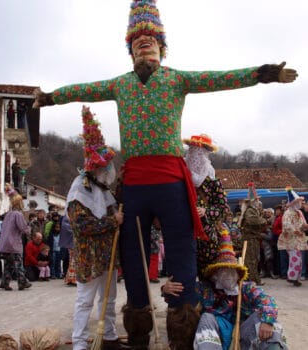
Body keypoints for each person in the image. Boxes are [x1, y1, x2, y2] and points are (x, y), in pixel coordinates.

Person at [32, 1, 298, 348]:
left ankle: (183, 332)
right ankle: (140, 330)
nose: (144, 43)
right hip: (137, 185)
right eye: (137, 40)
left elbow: (220, 79)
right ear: (130, 50)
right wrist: (51, 98)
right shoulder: (120, 84)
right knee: (133, 255)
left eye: (151, 39)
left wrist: (263, 74)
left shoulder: (177, 79)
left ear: (162, 46)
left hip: (171, 181)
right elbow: (82, 89)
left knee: (182, 253)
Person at [162, 229, 288, 350]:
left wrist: (267, 321)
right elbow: (183, 293)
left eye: (232, 271)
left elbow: (267, 301)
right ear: (215, 274)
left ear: (238, 274)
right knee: (206, 317)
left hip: (244, 334)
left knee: (267, 320)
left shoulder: (247, 288)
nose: (228, 276)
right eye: (223, 271)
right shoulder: (205, 289)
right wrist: (166, 289)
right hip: (218, 335)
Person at [66, 106, 126, 350]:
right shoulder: (79, 189)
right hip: (89, 256)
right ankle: (80, 343)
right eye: (106, 166)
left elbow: (113, 210)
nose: (109, 170)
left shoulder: (103, 189)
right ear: (95, 167)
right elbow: (81, 224)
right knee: (85, 300)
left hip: (108, 255)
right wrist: (113, 222)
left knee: (109, 299)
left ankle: (109, 336)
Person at [183, 134, 228, 279]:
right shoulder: (180, 176)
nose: (195, 155)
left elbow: (222, 208)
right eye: (192, 151)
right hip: (183, 233)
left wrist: (206, 211)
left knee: (207, 277)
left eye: (199, 152)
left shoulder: (212, 180)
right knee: (185, 277)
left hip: (207, 237)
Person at [0, 184, 32, 291]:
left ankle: (5, 282)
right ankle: (22, 282)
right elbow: (23, 228)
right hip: (14, 244)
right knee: (18, 263)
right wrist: (29, 229)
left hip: (5, 243)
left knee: (8, 264)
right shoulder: (18, 214)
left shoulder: (8, 214)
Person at [278, 187, 308, 287]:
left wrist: (304, 227)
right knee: (295, 258)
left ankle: (295, 277)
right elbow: (286, 225)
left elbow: (303, 223)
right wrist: (296, 231)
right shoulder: (288, 213)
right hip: (291, 240)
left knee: (299, 259)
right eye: (298, 202)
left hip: (299, 239)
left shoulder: (299, 213)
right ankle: (292, 277)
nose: (300, 204)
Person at [238, 182, 267, 285]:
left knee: (254, 259)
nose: (258, 201)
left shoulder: (253, 210)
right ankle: (251, 279)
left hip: (253, 238)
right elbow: (253, 221)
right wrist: (263, 220)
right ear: (252, 201)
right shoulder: (250, 211)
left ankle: (253, 278)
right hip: (249, 239)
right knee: (251, 259)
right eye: (257, 200)